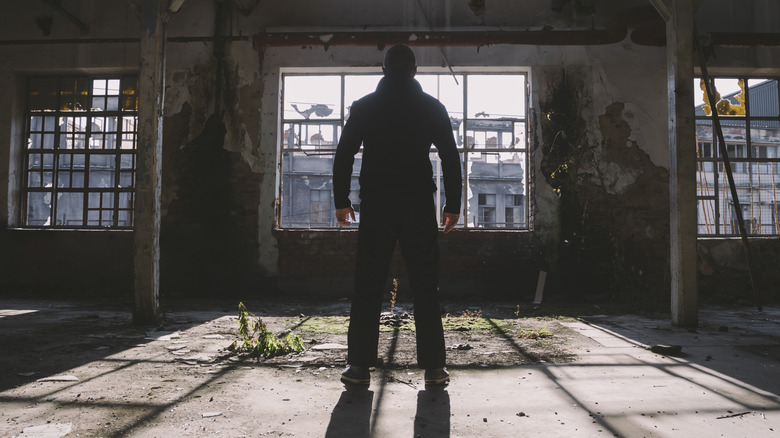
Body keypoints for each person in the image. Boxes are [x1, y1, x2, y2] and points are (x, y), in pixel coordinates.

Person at [332, 44, 462, 387]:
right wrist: (453, 205)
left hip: (377, 204)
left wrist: (341, 201)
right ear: (415, 71)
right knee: (425, 285)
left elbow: (344, 153)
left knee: (368, 285)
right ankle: (435, 368)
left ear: (384, 70)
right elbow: (450, 157)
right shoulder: (432, 107)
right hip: (418, 203)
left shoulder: (365, 106)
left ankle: (358, 367)